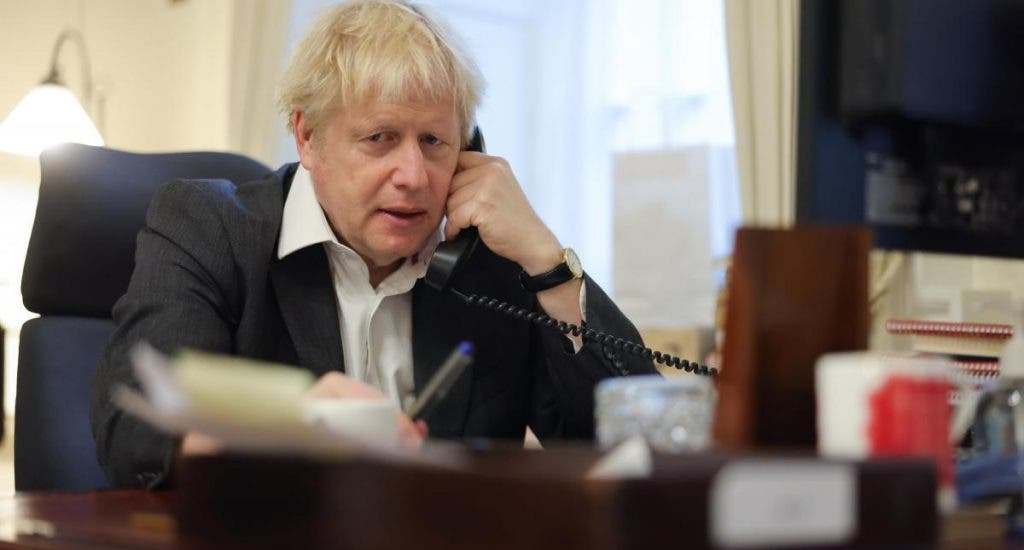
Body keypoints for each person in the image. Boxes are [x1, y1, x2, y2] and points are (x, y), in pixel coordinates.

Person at [91, 0, 656, 489]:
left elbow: (638, 447)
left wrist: (548, 264)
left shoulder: (488, 264)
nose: (413, 175)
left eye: (434, 141)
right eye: (380, 138)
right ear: (307, 136)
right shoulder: (212, 229)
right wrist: (293, 425)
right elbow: (137, 428)